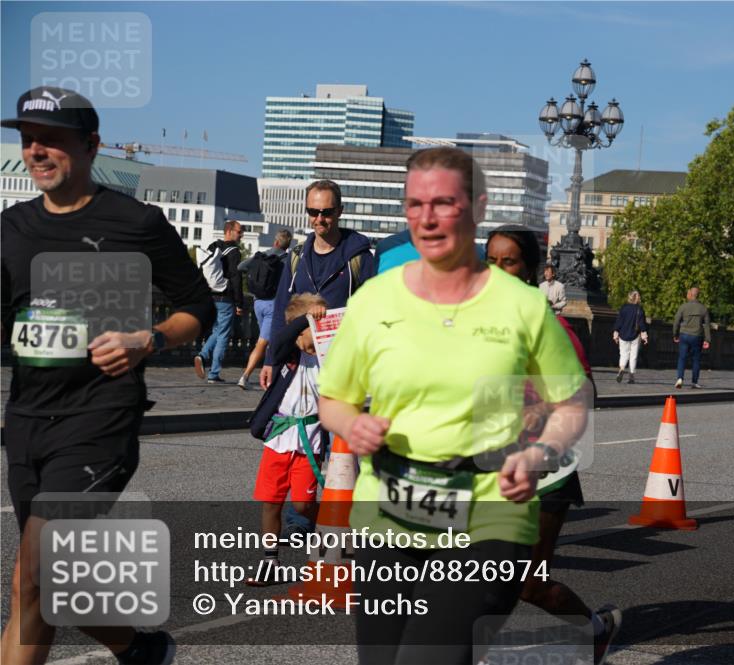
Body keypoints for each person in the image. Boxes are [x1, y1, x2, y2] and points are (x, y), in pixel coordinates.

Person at [317, 147, 588, 665]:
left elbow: (571, 403)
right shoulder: (375, 299)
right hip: (390, 507)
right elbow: (333, 399)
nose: (428, 217)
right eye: (415, 204)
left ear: (477, 208)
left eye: (444, 202)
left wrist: (538, 454)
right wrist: (354, 422)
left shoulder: (522, 305)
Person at [1, 86, 215, 664]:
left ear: (92, 146)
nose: (36, 151)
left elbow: (199, 306)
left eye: (53, 140)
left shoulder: (135, 222)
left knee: (31, 575)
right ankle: (139, 650)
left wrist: (149, 339)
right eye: (27, 140)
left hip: (99, 420)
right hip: (26, 421)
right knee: (45, 584)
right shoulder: (12, 228)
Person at [486, 225, 620, 664]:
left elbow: (585, 395)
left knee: (529, 585)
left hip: (547, 474)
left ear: (529, 272)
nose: (498, 271)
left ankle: (595, 630)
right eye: (491, 261)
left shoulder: (552, 327)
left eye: (509, 262)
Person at [259, 179, 375, 390]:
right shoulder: (297, 255)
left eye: (327, 212)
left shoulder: (359, 258)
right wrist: (270, 359)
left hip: (342, 365)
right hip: (298, 363)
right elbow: (280, 308)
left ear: (340, 211)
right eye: (313, 212)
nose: (319, 219)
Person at [246, 293, 328, 585]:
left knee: (304, 505)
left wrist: (321, 322)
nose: (312, 333)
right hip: (279, 440)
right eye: (309, 327)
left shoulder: (327, 359)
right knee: (271, 502)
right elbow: (280, 341)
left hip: (310, 441)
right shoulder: (286, 357)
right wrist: (306, 318)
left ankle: (330, 539)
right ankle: (270, 562)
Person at [235, 229, 293, 389]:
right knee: (262, 343)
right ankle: (245, 377)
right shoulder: (287, 260)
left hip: (257, 303)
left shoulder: (261, 255)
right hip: (273, 305)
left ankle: (270, 377)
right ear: (287, 246)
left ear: (275, 242)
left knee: (268, 340)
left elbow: (240, 267)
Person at [193, 219, 245, 383]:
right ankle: (213, 373)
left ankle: (202, 356)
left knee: (217, 331)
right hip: (225, 299)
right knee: (223, 334)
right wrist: (239, 302)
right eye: (239, 231)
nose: (241, 234)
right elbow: (236, 278)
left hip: (210, 297)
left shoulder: (212, 247)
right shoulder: (234, 251)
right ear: (229, 231)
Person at [673, 286, 712, 389]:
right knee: (696, 360)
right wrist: (707, 339)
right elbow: (707, 325)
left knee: (682, 357)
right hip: (697, 336)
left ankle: (680, 378)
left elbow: (676, 321)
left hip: (684, 334)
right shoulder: (703, 308)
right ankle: (694, 381)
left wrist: (675, 334)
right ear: (698, 295)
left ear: (690, 294)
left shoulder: (683, 307)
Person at [613, 291, 649, 384]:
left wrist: (616, 334)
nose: (640, 298)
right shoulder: (639, 310)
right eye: (639, 296)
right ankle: (631, 376)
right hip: (635, 335)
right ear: (635, 298)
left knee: (623, 354)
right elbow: (642, 325)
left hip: (623, 334)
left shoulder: (624, 308)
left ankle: (621, 368)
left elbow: (619, 322)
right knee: (633, 356)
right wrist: (644, 336)